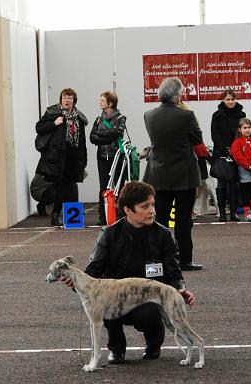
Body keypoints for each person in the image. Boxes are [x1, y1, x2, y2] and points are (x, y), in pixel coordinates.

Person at [73, 181, 196, 364]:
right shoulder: (109, 234)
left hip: (148, 298)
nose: (152, 211)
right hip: (114, 298)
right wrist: (74, 282)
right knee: (105, 301)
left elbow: (173, 272)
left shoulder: (164, 235)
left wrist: (179, 289)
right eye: (145, 206)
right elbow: (93, 273)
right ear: (128, 210)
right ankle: (116, 349)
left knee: (149, 313)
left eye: (153, 205)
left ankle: (154, 343)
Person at [143, 77, 205, 271]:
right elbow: (198, 141)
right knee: (183, 220)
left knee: (158, 219)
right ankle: (185, 259)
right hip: (184, 175)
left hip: (158, 174)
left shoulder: (148, 115)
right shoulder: (187, 115)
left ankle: (158, 260)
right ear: (177, 95)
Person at [35, 88, 88, 226]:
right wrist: (54, 123)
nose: (67, 100)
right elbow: (39, 127)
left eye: (70, 98)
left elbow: (82, 141)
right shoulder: (53, 112)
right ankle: (55, 214)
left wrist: (84, 159)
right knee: (60, 186)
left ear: (74, 101)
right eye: (64, 97)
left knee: (69, 186)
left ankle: (65, 215)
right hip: (57, 157)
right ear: (61, 99)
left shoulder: (79, 117)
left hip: (73, 157)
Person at [89, 91, 127, 225]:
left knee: (120, 187)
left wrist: (101, 135)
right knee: (103, 187)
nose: (100, 102)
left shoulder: (121, 117)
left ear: (110, 103)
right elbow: (92, 137)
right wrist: (107, 136)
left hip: (117, 156)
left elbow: (117, 132)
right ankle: (103, 217)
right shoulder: (98, 119)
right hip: (102, 157)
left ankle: (121, 215)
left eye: (102, 100)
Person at [211, 89, 247, 221]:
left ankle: (233, 213)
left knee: (234, 184)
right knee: (221, 183)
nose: (230, 102)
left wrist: (236, 149)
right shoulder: (217, 115)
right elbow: (215, 135)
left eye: (232, 99)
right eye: (228, 99)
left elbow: (243, 132)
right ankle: (221, 213)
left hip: (237, 152)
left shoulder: (241, 114)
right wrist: (225, 149)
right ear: (223, 100)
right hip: (221, 153)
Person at [229, 118, 251, 218]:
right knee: (246, 191)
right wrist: (248, 166)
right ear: (240, 129)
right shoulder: (237, 142)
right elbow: (238, 156)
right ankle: (248, 211)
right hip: (244, 169)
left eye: (249, 127)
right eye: (244, 128)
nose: (247, 130)